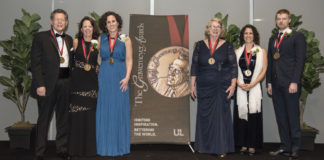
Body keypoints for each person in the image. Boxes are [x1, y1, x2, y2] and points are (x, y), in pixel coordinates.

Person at [190, 18, 237, 157]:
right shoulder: (199, 45)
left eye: (218, 27)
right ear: (208, 29)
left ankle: (221, 148)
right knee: (204, 117)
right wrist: (192, 84)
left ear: (221, 30)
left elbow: (233, 66)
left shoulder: (228, 45)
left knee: (220, 117)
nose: (215, 29)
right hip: (204, 85)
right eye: (212, 26)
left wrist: (233, 85)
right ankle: (204, 146)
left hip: (221, 85)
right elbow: (194, 66)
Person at [30, 9, 72, 160]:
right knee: (44, 119)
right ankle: (39, 152)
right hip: (47, 86)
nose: (60, 22)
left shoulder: (69, 39)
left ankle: (62, 149)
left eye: (63, 20)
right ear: (51, 21)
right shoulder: (41, 37)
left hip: (65, 84)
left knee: (63, 118)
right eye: (57, 19)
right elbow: (35, 64)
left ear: (66, 23)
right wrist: (39, 84)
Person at [267, 9, 306, 159]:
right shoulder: (273, 39)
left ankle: (295, 148)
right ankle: (285, 146)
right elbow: (271, 61)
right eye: (278, 19)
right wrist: (269, 82)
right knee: (281, 117)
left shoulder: (297, 36)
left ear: (289, 20)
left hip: (291, 84)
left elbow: (300, 60)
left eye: (284, 18)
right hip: (276, 84)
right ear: (276, 21)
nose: (281, 21)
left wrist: (294, 81)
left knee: (292, 116)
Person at [96, 11, 133, 156]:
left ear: (118, 23)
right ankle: (104, 147)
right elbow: (99, 59)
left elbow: (129, 59)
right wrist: (99, 72)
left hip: (120, 76)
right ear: (105, 25)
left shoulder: (125, 39)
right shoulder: (101, 38)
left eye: (113, 21)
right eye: (108, 22)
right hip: (105, 76)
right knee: (105, 109)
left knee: (118, 109)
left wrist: (127, 77)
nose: (111, 24)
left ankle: (119, 147)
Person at [233, 24, 267, 156]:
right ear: (242, 36)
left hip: (254, 88)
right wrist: (238, 83)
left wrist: (253, 84)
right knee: (241, 117)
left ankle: (252, 144)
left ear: (255, 35)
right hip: (241, 88)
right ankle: (243, 144)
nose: (248, 35)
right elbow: (233, 71)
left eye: (251, 33)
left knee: (253, 116)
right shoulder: (237, 52)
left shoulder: (260, 51)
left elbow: (264, 69)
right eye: (246, 33)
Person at [68, 16, 99, 157]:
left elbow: (98, 62)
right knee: (77, 115)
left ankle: (90, 149)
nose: (87, 29)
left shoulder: (96, 43)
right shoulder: (76, 42)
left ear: (93, 28)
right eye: (85, 26)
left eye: (90, 26)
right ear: (81, 29)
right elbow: (70, 62)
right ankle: (75, 149)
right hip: (77, 81)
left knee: (90, 116)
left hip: (92, 80)